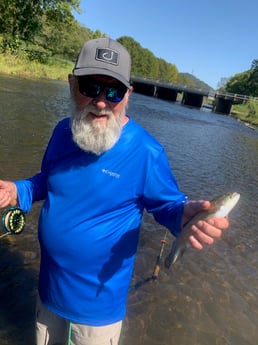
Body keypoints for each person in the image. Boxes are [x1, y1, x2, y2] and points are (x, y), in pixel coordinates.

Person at [0, 38, 229, 345]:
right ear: (72, 85)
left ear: (128, 95)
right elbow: (48, 179)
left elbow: (170, 207)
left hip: (96, 316)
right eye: (91, 87)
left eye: (114, 91)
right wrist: (19, 189)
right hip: (48, 294)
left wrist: (185, 217)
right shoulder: (61, 132)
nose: (101, 101)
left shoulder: (147, 152)